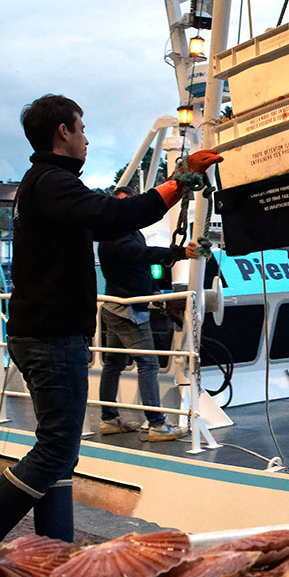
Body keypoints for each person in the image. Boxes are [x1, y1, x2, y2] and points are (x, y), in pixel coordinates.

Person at [0, 93, 220, 545]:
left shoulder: (43, 184)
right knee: (54, 451)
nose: (87, 139)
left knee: (60, 455)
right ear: (63, 132)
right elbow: (115, 214)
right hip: (51, 337)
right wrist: (178, 181)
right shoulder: (52, 182)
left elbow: (105, 222)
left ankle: (55, 551)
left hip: (42, 333)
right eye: (81, 128)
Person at [97, 187, 198, 441]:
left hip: (120, 306)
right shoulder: (114, 237)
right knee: (148, 363)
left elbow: (139, 268)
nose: (129, 210)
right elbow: (141, 255)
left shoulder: (129, 232)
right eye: (123, 205)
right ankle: (157, 424)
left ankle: (109, 419)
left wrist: (154, 294)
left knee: (114, 363)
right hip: (127, 311)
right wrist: (179, 252)